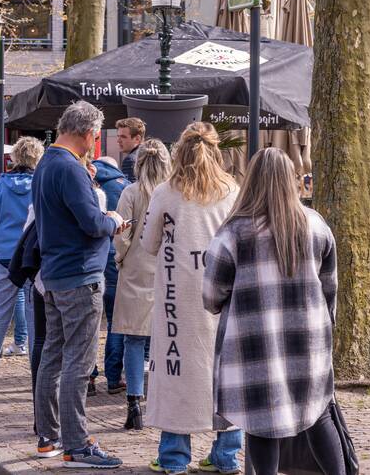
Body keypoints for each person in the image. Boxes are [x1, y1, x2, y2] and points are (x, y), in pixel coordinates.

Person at [203, 148, 344, 475]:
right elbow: (330, 287)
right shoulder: (316, 226)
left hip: (254, 343)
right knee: (319, 416)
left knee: (261, 423)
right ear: (291, 181)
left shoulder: (233, 233)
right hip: (309, 340)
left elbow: (211, 295)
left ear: (251, 181)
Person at [140, 122, 241, 475]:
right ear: (216, 151)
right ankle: (226, 455)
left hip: (177, 296)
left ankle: (173, 457)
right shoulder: (231, 190)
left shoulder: (166, 193)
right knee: (225, 371)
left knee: (176, 369)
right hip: (223, 292)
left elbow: (148, 244)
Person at [32, 101, 127, 468]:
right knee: (78, 360)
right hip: (79, 274)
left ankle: (48, 436)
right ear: (88, 133)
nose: (94, 144)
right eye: (95, 137)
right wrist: (113, 220)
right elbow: (90, 223)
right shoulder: (70, 168)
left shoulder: (45, 163)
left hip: (55, 273)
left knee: (52, 356)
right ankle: (77, 443)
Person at [112, 139, 172, 430]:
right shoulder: (174, 193)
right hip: (167, 269)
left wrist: (121, 259)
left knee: (133, 339)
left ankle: (134, 401)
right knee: (164, 338)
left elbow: (121, 233)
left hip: (135, 268)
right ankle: (162, 398)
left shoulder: (131, 193)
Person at [0, 137, 43, 390]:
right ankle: (37, 376)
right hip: (33, 257)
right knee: (35, 315)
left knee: (0, 315)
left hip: (5, 256)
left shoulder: (0, 185)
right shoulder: (40, 184)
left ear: (14, 157)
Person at [91, 155, 130, 395]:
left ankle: (89, 377)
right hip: (115, 258)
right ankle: (114, 378)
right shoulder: (124, 186)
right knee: (116, 320)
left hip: (93, 259)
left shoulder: (89, 183)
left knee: (90, 322)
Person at [117, 117, 146, 182]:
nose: (118, 141)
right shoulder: (148, 155)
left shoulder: (130, 160)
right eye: (118, 136)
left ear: (137, 139)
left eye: (123, 137)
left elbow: (129, 190)